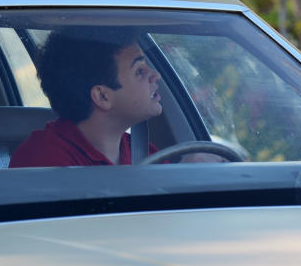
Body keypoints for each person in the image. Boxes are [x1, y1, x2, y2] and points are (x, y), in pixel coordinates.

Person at [10, 30, 202, 167]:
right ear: (102, 96)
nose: (156, 75)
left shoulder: (143, 154)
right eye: (139, 71)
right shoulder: (43, 160)